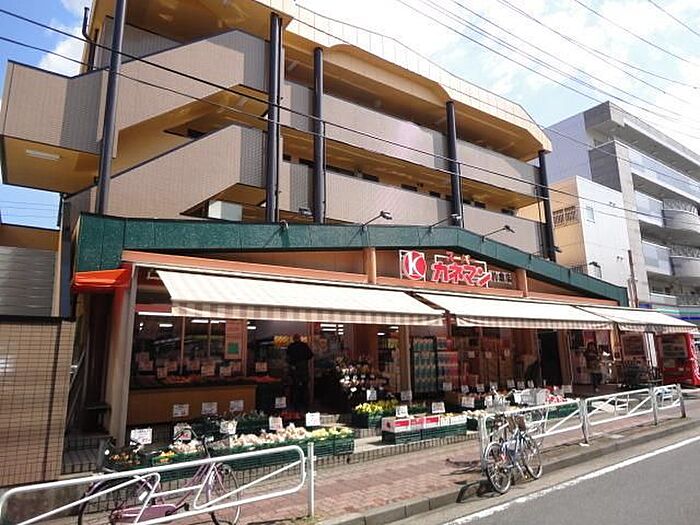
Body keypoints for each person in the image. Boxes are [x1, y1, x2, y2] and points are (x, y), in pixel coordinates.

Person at [287, 334, 313, 409]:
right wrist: (304, 359)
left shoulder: (291, 346)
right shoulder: (304, 346)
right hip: (304, 369)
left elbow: (288, 358)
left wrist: (292, 364)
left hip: (295, 369)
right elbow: (310, 355)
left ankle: (296, 405)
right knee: (305, 387)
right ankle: (306, 404)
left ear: (294, 339)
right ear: (300, 338)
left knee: (295, 387)